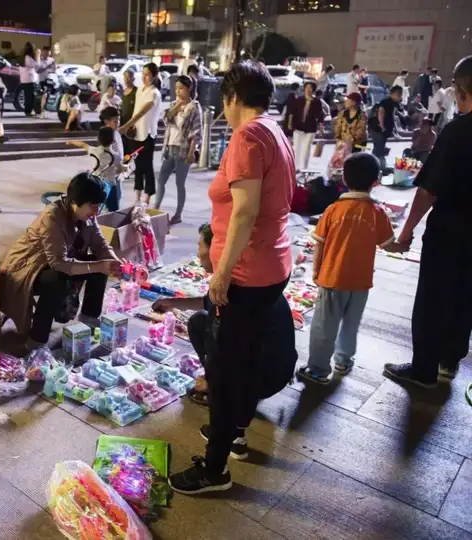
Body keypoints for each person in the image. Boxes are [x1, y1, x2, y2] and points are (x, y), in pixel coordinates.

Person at [168, 61, 296, 495]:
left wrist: (221, 274)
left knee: (224, 371)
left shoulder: (246, 136)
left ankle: (214, 469)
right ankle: (232, 431)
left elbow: (245, 210)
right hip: (272, 267)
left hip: (246, 274)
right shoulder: (275, 131)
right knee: (240, 359)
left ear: (232, 98)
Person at [384, 56, 472, 388]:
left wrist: (405, 233)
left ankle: (424, 369)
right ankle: (450, 360)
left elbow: (428, 190)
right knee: (465, 298)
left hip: (450, 232)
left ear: (461, 90)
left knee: (434, 299)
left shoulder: (458, 131)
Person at [153, 224, 298, 410]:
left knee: (212, 331)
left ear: (216, 250)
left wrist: (215, 383)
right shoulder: (244, 278)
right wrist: (171, 303)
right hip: (272, 371)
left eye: (200, 245)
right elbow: (208, 302)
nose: (198, 254)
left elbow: (230, 346)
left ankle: (227, 396)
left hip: (263, 378)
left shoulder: (236, 292)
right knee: (199, 321)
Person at [297, 154, 397, 384]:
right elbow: (388, 245)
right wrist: (403, 244)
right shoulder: (378, 212)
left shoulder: (333, 210)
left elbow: (319, 243)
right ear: (376, 181)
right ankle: (343, 361)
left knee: (324, 326)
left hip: (332, 278)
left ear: (343, 177)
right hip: (361, 282)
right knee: (351, 324)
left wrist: (316, 272)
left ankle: (318, 370)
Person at [0, 173, 123, 350]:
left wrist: (117, 263)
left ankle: (88, 321)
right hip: (28, 268)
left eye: (98, 207)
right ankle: (36, 340)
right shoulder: (52, 217)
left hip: (57, 264)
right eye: (92, 207)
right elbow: (59, 262)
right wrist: (99, 266)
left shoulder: (87, 215)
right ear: (75, 202)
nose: (96, 213)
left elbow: (100, 245)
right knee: (57, 278)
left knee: (101, 263)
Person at [154, 75, 202, 224]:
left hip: (183, 149)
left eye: (181, 88)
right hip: (170, 147)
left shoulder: (194, 107)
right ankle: (155, 208)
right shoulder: (174, 104)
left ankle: (178, 214)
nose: (178, 92)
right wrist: (176, 107)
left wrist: (191, 152)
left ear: (189, 89)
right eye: (176, 88)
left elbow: (196, 132)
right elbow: (165, 120)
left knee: (179, 183)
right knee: (161, 179)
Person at [120, 62, 162, 204]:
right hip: (136, 134)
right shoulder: (140, 90)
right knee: (137, 166)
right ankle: (137, 196)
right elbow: (134, 110)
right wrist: (130, 127)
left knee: (147, 166)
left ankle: (148, 197)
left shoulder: (154, 93)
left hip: (148, 135)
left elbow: (142, 111)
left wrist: (126, 126)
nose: (144, 77)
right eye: (143, 74)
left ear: (154, 76)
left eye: (148, 75)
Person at [66, 127, 124, 211]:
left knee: (95, 209)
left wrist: (70, 141)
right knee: (113, 210)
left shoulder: (93, 150)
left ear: (99, 139)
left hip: (96, 184)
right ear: (113, 140)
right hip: (111, 185)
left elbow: (82, 144)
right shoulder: (116, 156)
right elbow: (119, 170)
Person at [290, 81, 325, 171]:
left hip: (310, 128)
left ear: (313, 90)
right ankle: (295, 168)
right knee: (296, 148)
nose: (308, 90)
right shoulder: (299, 99)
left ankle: (303, 168)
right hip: (298, 127)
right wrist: (290, 124)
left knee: (306, 148)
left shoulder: (317, 102)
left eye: (310, 88)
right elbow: (292, 112)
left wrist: (321, 128)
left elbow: (320, 115)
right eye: (306, 88)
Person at [370, 85, 403, 171]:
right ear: (393, 94)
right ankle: (378, 166)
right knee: (379, 147)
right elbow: (381, 113)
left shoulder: (394, 103)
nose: (400, 96)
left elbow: (393, 115)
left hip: (385, 129)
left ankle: (377, 166)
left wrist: (394, 130)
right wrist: (382, 125)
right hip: (377, 128)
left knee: (379, 147)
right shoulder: (385, 101)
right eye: (399, 94)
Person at [20, 42, 41, 117]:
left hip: (24, 79)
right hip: (30, 79)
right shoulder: (28, 58)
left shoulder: (23, 57)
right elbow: (37, 66)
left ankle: (28, 111)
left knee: (27, 96)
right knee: (31, 97)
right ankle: (29, 111)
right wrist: (38, 55)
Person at [119, 70, 137, 154]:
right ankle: (124, 165)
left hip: (131, 125)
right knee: (122, 147)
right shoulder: (122, 92)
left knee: (131, 148)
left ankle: (128, 165)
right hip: (122, 124)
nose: (126, 80)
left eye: (128, 77)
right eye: (125, 77)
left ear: (133, 78)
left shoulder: (136, 92)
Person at [38, 46, 56, 115]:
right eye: (45, 53)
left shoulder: (52, 60)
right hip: (42, 80)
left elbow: (54, 70)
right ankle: (42, 110)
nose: (47, 54)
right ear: (43, 52)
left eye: (48, 53)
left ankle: (44, 108)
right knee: (44, 94)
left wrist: (52, 68)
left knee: (47, 95)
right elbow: (38, 70)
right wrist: (47, 68)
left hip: (49, 80)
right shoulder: (40, 60)